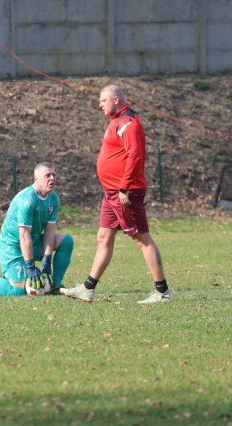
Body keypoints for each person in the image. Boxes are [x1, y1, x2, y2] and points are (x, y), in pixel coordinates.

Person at [61, 85, 173, 304]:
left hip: (124, 192)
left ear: (116, 99)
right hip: (111, 193)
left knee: (142, 239)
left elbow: (135, 155)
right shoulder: (116, 122)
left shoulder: (128, 123)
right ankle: (87, 288)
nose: (100, 104)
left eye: (103, 100)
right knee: (104, 237)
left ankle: (162, 292)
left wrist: (124, 187)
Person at [0, 162, 73, 297]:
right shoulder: (27, 200)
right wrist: (31, 267)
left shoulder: (53, 198)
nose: (52, 178)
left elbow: (50, 231)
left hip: (34, 241)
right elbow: (24, 236)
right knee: (18, 291)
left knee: (67, 241)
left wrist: (47, 259)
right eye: (47, 175)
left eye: (54, 175)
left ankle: (54, 285)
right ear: (36, 178)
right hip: (12, 247)